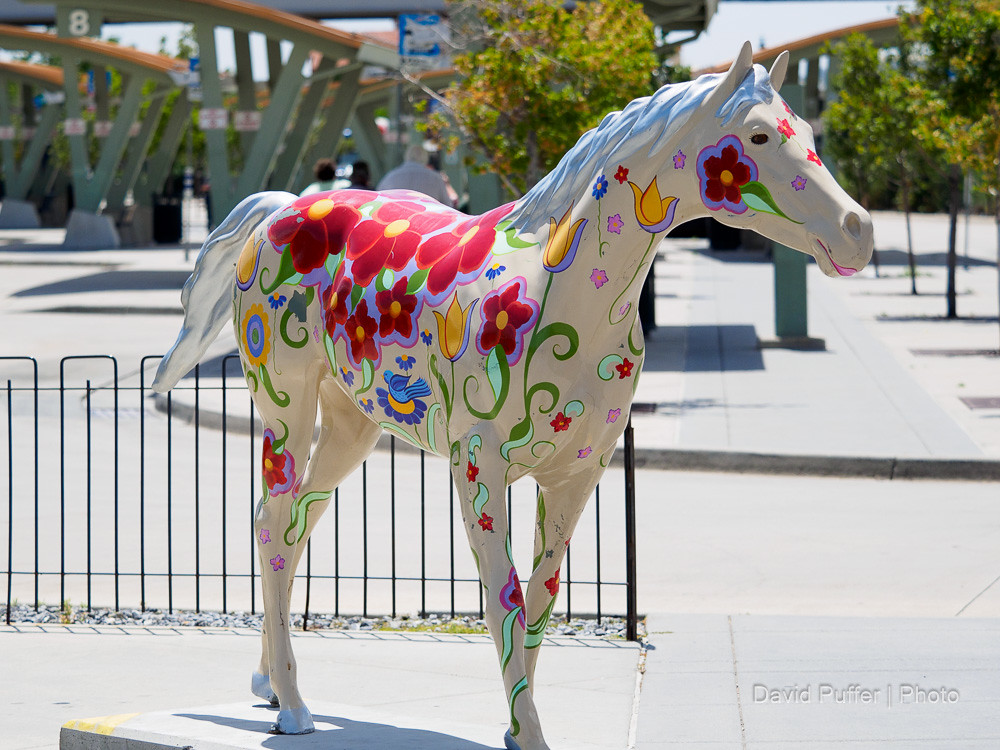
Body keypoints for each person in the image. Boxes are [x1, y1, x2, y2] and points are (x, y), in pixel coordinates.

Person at [376, 144, 453, 206]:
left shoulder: (390, 177)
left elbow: (377, 202)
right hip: (426, 222)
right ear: (425, 159)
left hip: (397, 222)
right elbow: (448, 206)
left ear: (406, 157)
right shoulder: (436, 178)